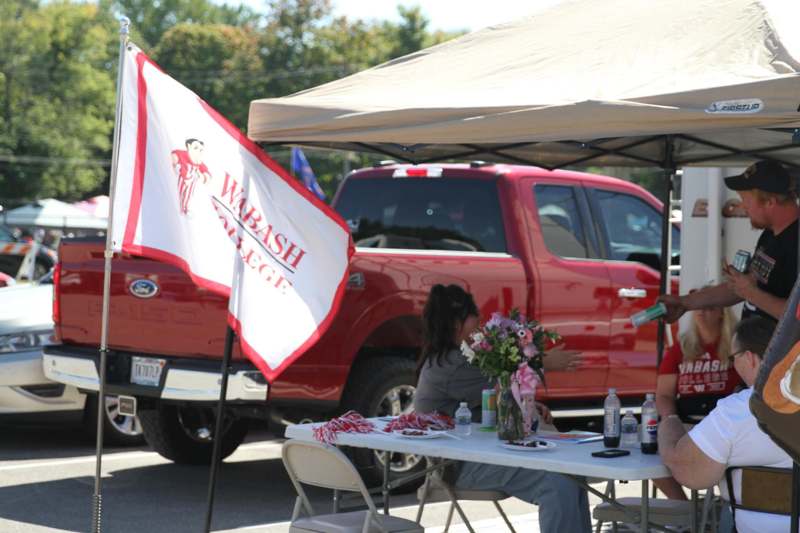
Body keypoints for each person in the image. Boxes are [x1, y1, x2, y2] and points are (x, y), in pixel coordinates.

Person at [414, 284, 590, 533]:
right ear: (456, 323)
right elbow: (504, 377)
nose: (481, 321)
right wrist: (544, 362)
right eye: (474, 313)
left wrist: (527, 401)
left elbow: (498, 392)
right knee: (556, 480)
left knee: (573, 472)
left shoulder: (458, 358)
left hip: (483, 452)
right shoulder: (451, 364)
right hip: (458, 466)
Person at [658, 316, 793, 533]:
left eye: (733, 357)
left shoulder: (738, 410)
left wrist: (669, 422)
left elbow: (689, 473)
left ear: (750, 358)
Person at [659, 160, 799, 324]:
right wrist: (685, 303)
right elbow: (740, 289)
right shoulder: (770, 233)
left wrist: (751, 293)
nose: (743, 206)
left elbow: (796, 315)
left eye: (746, 199)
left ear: (770, 202)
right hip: (754, 345)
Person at [653, 301, 740, 500]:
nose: (701, 310)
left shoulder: (735, 347)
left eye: (710, 306)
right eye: (698, 307)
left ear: (722, 314)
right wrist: (670, 419)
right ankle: (683, 510)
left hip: (721, 425)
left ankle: (725, 511)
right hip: (685, 424)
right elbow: (664, 394)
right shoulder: (681, 348)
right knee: (653, 456)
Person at [171, 138, 212, 215]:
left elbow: (207, 174)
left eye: (201, 150)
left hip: (191, 182)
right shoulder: (182, 154)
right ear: (189, 146)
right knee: (178, 192)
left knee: (188, 194)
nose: (198, 152)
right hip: (180, 178)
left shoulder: (198, 163)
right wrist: (174, 164)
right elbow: (174, 157)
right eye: (196, 148)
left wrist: (202, 176)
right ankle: (178, 205)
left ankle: (185, 208)